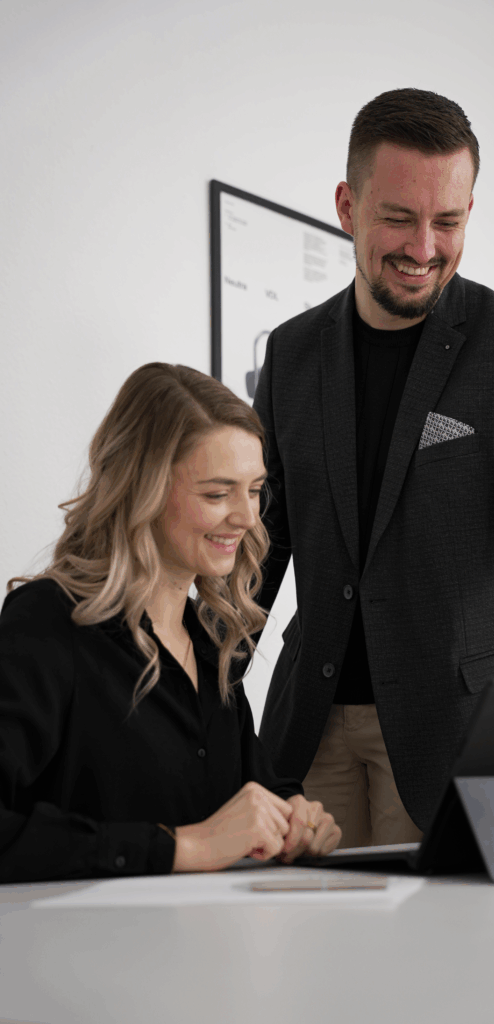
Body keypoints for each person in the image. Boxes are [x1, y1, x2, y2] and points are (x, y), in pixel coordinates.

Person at [253, 87, 494, 849]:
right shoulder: (291, 354)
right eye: (398, 217)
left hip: (456, 731)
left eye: (448, 222)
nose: (423, 248)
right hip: (308, 732)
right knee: (310, 959)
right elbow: (264, 542)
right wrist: (193, 680)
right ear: (347, 206)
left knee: (447, 965)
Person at [0, 363, 341, 883]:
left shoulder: (210, 645)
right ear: (143, 490)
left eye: (254, 490)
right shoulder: (47, 623)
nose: (248, 518)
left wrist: (295, 815)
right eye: (216, 494)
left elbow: (258, 788)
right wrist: (183, 847)